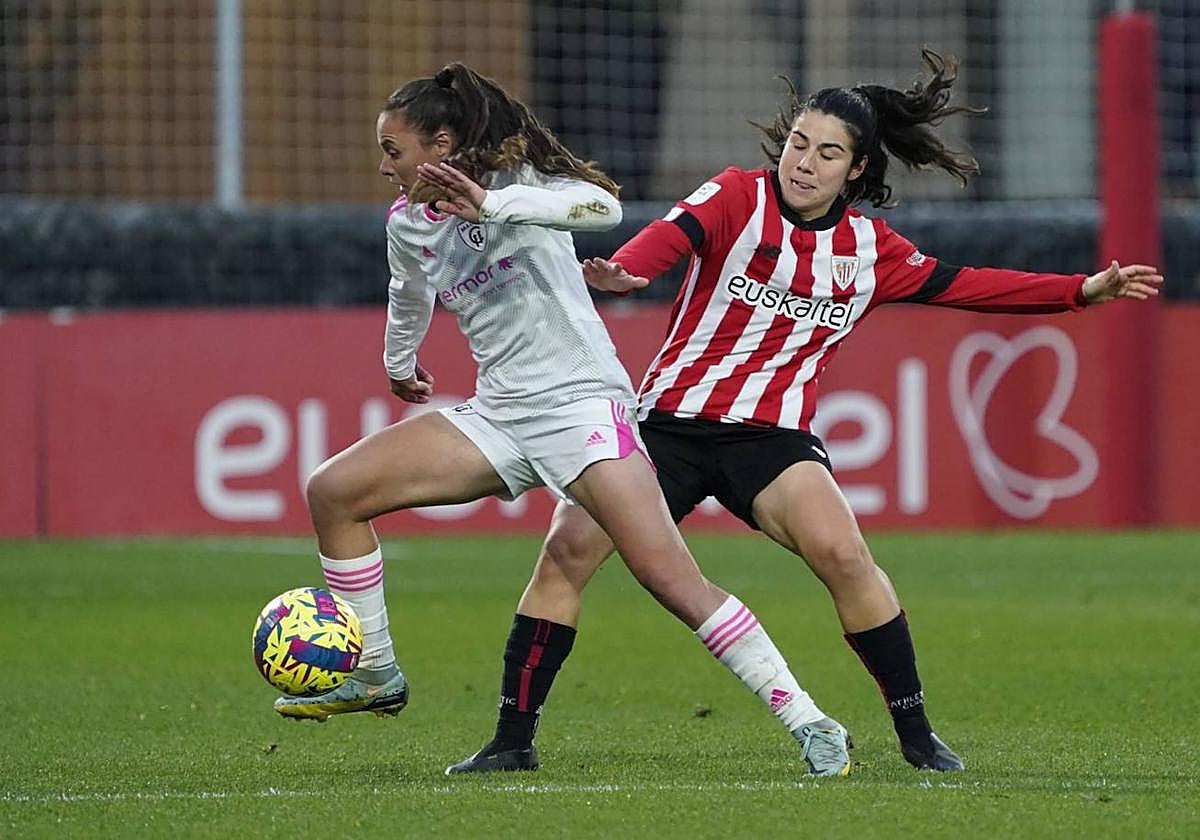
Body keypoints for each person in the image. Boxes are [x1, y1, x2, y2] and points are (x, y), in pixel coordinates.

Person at [453, 49, 1164, 774]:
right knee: (568, 553)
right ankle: (512, 742)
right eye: (799, 143)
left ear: (855, 170)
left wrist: (1081, 290)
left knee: (846, 556)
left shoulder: (869, 249)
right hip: (664, 427)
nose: (805, 162)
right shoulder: (735, 196)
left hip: (772, 440)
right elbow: (668, 239)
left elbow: (967, 284)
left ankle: (918, 737)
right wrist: (628, 270)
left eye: (827, 153)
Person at [273, 62, 853, 779]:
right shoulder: (407, 224)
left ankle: (809, 720)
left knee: (669, 578)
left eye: (394, 150)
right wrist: (400, 360)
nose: (385, 166)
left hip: (583, 405)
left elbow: (602, 210)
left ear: (441, 144)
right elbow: (409, 290)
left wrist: (492, 206)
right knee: (334, 491)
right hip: (500, 413)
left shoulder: (518, 183)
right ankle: (377, 674)